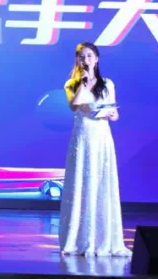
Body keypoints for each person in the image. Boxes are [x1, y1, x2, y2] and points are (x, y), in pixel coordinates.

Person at [59, 42, 131, 257]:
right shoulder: (71, 84)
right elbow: (74, 106)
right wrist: (85, 83)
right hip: (83, 137)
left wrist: (111, 113)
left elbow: (115, 114)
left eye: (89, 56)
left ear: (97, 59)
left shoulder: (107, 83)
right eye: (82, 57)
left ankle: (103, 239)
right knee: (81, 181)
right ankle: (78, 240)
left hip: (102, 136)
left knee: (101, 182)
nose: (85, 60)